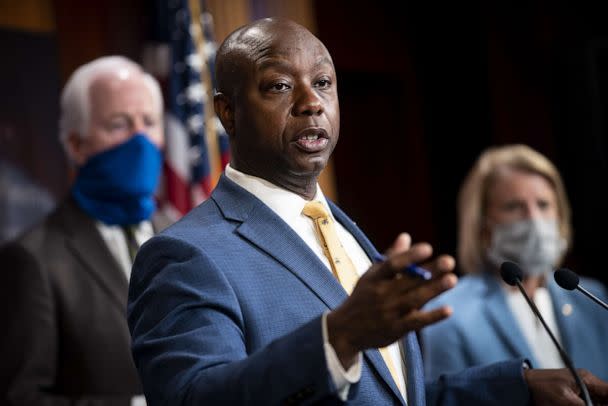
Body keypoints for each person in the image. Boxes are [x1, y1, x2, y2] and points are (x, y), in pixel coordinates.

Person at [127, 19, 608, 405]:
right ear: (227, 112)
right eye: (278, 85)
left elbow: (392, 393)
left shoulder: (347, 234)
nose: (311, 102)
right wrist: (337, 337)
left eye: (322, 82)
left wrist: (517, 388)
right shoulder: (185, 255)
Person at [0, 56, 166, 405]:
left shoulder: (183, 233)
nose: (140, 141)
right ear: (76, 145)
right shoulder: (33, 259)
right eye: (119, 124)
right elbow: (21, 398)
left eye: (149, 122)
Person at [422, 144, 608, 383]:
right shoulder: (448, 312)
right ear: (482, 224)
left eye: (543, 205)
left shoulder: (591, 298)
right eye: (513, 207)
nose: (534, 219)